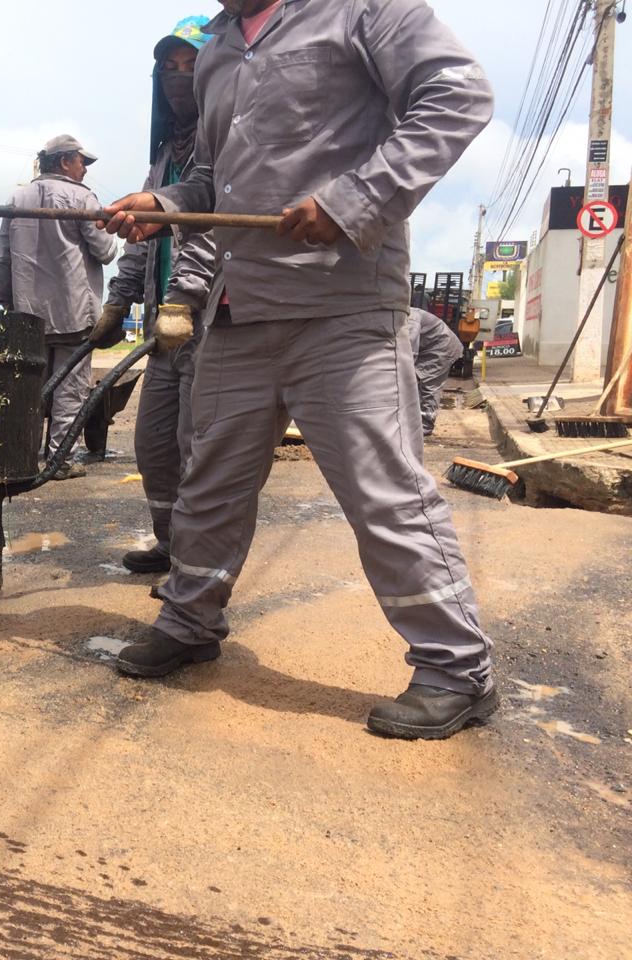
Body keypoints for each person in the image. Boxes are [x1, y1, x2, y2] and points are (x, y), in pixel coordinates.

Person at [98, 0, 497, 740]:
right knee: (208, 487)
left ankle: (457, 668)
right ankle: (190, 621)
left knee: (385, 495)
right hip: (239, 306)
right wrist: (165, 203)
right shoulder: (218, 45)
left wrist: (355, 199)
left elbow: (458, 97)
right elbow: (218, 181)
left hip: (341, 306)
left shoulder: (366, 12)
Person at [92, 16, 217, 573]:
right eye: (169, 68)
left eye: (190, 66)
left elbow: (214, 228)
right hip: (163, 329)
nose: (177, 78)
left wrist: (182, 299)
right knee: (154, 445)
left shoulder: (226, 148)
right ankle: (169, 544)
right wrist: (119, 301)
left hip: (208, 323)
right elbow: (143, 233)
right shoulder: (167, 153)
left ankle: (194, 564)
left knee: (198, 450)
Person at [0, 135, 118, 480]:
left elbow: (2, 258)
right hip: (73, 313)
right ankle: (61, 459)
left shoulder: (18, 197)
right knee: (70, 390)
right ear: (65, 162)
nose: (84, 170)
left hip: (28, 316)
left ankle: (25, 457)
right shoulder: (82, 198)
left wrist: (8, 300)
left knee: (32, 388)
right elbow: (106, 251)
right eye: (82, 163)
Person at [409, 306, 463, 436]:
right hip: (429, 347)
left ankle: (425, 426)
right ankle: (413, 421)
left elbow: (410, 353)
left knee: (429, 385)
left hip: (442, 347)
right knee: (415, 384)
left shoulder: (411, 319)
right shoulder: (401, 316)